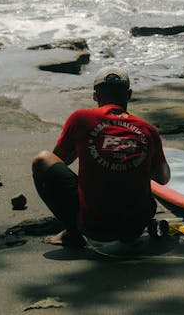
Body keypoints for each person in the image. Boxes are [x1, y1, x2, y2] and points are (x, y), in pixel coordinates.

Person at [32, 65, 170, 247]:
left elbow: (59, 161)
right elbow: (163, 178)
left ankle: (73, 232)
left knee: (42, 159)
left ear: (95, 95)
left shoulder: (81, 119)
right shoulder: (148, 130)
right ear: (128, 95)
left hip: (95, 228)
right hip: (134, 228)